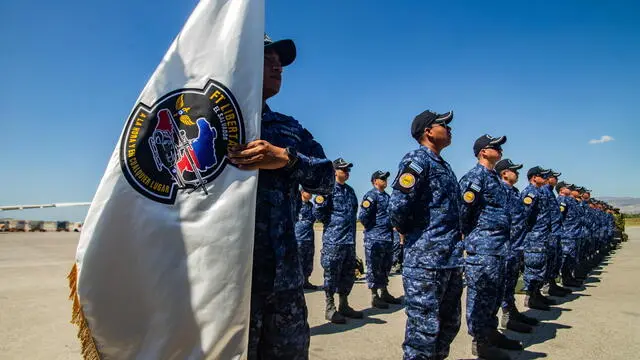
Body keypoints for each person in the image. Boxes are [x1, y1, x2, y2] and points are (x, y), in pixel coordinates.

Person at [228, 34, 334, 360]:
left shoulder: (287, 129)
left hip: (282, 283)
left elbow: (326, 179)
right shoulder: (207, 122)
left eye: (281, 62)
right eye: (266, 58)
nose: (278, 66)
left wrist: (287, 159)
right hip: (227, 282)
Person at [389, 109, 463, 360]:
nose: (450, 128)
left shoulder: (443, 165)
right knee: (423, 332)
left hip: (449, 259)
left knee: (449, 324)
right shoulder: (417, 160)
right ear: (428, 131)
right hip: (425, 261)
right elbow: (398, 207)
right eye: (444, 124)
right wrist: (417, 236)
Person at [459, 135, 523, 360]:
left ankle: (491, 333)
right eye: (495, 146)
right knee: (481, 297)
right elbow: (463, 214)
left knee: (494, 296)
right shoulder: (475, 178)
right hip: (483, 249)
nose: (500, 149)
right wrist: (475, 240)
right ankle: (480, 342)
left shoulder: (494, 179)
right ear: (483, 152)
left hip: (499, 248)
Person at [314, 157, 363, 324]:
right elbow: (319, 213)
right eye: (343, 169)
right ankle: (330, 307)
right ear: (335, 171)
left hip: (349, 242)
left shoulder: (350, 191)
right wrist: (334, 225)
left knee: (348, 274)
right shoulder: (327, 189)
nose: (347, 172)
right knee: (331, 275)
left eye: (348, 170)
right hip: (334, 241)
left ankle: (344, 305)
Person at [494, 159, 538, 333]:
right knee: (504, 283)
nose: (517, 173)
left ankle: (512, 311)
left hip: (517, 244)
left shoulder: (514, 191)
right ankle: (506, 317)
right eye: (514, 170)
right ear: (504, 173)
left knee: (511, 281)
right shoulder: (501, 190)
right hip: (507, 245)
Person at [358, 170, 402, 309]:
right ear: (375, 181)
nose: (384, 180)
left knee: (385, 266)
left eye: (385, 178)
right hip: (375, 238)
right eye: (381, 178)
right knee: (374, 267)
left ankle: (384, 292)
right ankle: (374, 296)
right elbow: (363, 216)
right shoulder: (371, 196)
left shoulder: (387, 197)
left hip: (387, 237)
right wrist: (373, 229)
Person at [520, 167, 553, 311]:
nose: (545, 178)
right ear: (534, 177)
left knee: (540, 267)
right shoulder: (530, 192)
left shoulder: (540, 192)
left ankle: (536, 294)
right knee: (533, 267)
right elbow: (524, 216)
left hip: (542, 235)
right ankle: (530, 297)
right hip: (534, 236)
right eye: (542, 176)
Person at [541, 170, 571, 297]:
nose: (556, 179)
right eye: (554, 177)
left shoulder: (550, 193)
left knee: (555, 261)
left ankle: (552, 285)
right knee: (546, 263)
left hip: (555, 232)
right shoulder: (543, 192)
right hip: (547, 234)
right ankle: (545, 288)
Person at [556, 183, 582, 287]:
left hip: (573, 234)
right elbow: (559, 217)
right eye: (568, 188)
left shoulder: (569, 200)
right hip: (566, 234)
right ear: (561, 190)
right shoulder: (562, 200)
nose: (571, 190)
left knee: (570, 258)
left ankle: (568, 278)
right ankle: (563, 279)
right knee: (565, 258)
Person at [295, 189, 318, 290]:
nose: (311, 194)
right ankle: (297, 282)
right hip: (298, 237)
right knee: (298, 260)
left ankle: (306, 281)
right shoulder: (296, 204)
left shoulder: (311, 206)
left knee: (308, 260)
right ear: (302, 192)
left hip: (309, 237)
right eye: (308, 192)